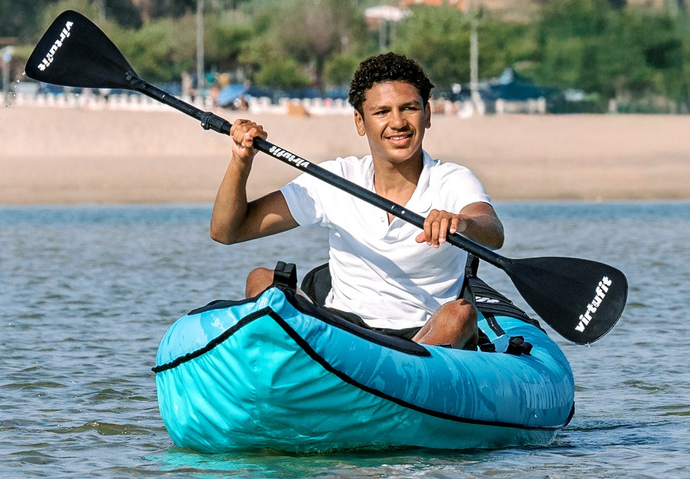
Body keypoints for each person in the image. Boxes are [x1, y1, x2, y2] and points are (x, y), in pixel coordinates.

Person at [209, 50, 503, 348]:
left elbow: (491, 230)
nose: (398, 122)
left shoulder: (452, 180)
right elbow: (227, 232)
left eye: (409, 108)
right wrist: (241, 161)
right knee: (261, 280)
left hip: (422, 337)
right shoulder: (335, 178)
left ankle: (397, 385)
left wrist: (461, 222)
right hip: (340, 335)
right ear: (360, 122)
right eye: (381, 112)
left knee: (460, 315)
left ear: (427, 114)